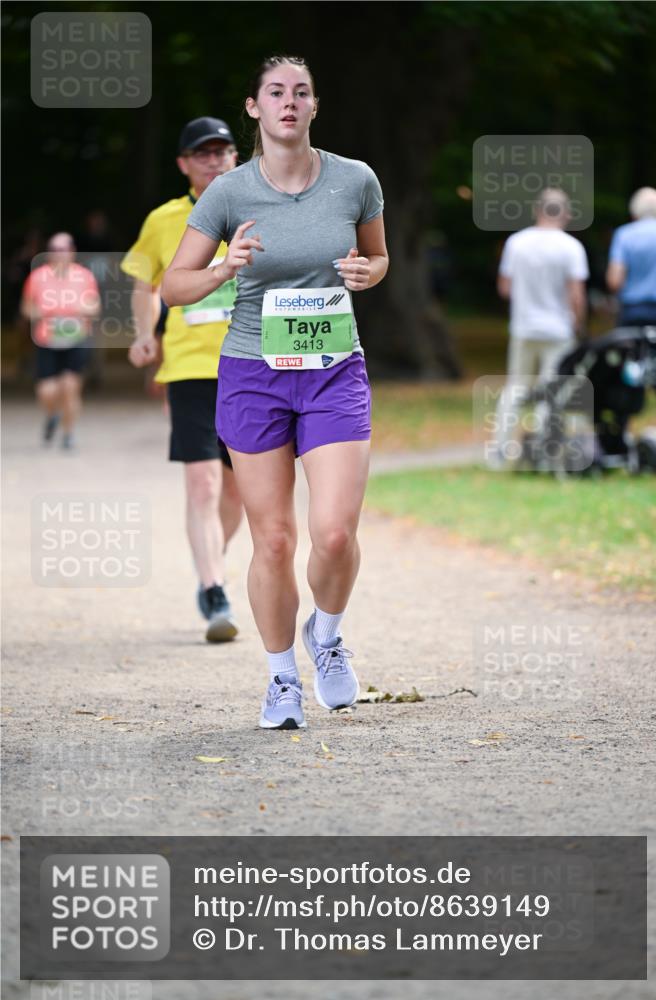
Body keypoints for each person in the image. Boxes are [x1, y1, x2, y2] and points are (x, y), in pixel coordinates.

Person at [162, 55, 388, 730]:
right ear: (254, 108)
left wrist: (367, 272)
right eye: (274, 93)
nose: (289, 102)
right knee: (275, 540)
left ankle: (327, 633)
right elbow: (173, 287)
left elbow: (377, 257)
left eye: (301, 92)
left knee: (336, 533)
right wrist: (222, 268)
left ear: (314, 106)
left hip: (331, 369)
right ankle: (282, 678)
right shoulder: (227, 193)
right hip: (252, 374)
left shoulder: (354, 181)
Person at [121, 117, 243, 643]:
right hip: (190, 369)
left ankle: (210, 559)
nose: (214, 160)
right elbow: (146, 284)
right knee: (203, 483)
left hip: (252, 365)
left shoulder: (259, 209)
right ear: (184, 164)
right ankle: (214, 586)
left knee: (238, 491)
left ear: (236, 157)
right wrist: (145, 333)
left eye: (223, 151)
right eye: (203, 153)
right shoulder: (165, 219)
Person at [492, 189, 589, 465]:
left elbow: (505, 288)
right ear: (566, 214)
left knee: (516, 387)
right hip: (558, 330)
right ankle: (544, 450)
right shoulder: (571, 247)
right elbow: (577, 295)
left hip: (523, 328)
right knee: (552, 389)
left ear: (538, 210)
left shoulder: (516, 243)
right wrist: (578, 324)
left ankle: (500, 449)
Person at [20, 232, 100, 450]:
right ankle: (52, 414)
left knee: (70, 387)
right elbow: (26, 307)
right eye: (54, 249)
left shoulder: (84, 276)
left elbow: (95, 306)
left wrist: (80, 309)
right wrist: (43, 312)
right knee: (47, 391)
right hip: (47, 339)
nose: (59, 254)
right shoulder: (37, 277)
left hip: (76, 337)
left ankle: (68, 434)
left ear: (72, 252)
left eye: (63, 249)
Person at [606, 186, 656, 427]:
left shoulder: (625, 235)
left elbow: (614, 280)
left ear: (635, 211)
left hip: (632, 313)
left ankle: (624, 437)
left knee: (627, 374)